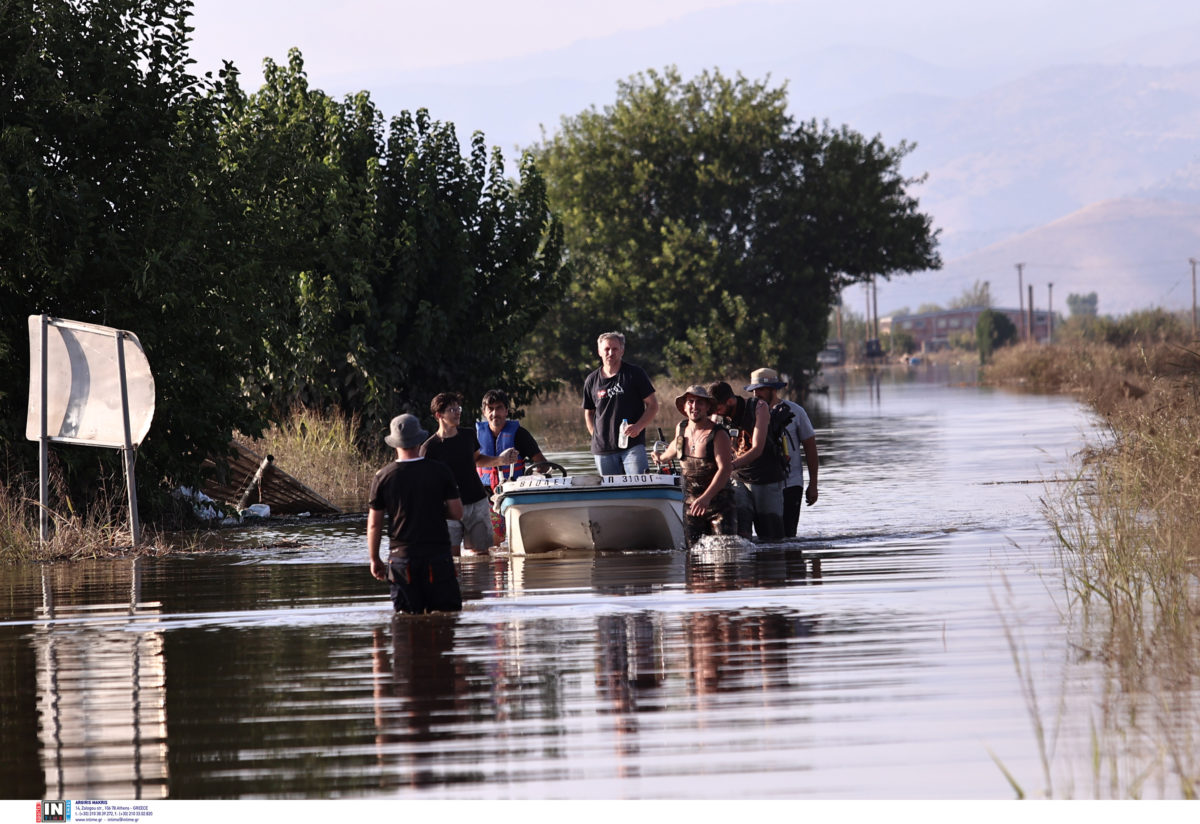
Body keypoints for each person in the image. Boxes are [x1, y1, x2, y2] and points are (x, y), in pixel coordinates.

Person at [367, 414, 464, 613]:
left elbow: (374, 525)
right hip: (438, 557)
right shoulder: (440, 471)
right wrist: (434, 509)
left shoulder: (383, 477)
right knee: (447, 620)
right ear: (419, 439)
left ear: (394, 443)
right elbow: (457, 512)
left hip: (403, 561)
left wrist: (374, 559)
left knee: (407, 624)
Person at [421, 392, 520, 554]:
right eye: (452, 410)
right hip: (448, 507)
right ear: (439, 415)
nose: (458, 412)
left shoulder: (468, 435)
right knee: (452, 558)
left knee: (481, 556)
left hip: (477, 502)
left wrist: (500, 460)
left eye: (458, 408)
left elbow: (478, 459)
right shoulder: (429, 447)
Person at [652, 385, 736, 545]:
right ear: (684, 406)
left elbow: (726, 469)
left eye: (700, 402)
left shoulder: (719, 434)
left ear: (708, 407)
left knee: (724, 557)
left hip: (719, 506)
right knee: (694, 558)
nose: (694, 406)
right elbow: (675, 447)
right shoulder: (681, 428)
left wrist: (706, 498)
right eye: (690, 401)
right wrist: (661, 458)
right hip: (692, 505)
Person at [745, 367, 819, 537]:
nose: (757, 395)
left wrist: (813, 484)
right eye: (754, 390)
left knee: (788, 536)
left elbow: (810, 448)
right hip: (760, 484)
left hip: (790, 484)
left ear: (774, 389)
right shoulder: (748, 414)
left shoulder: (795, 412)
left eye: (761, 390)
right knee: (766, 537)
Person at [709, 379, 785, 540]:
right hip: (738, 479)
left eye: (718, 408)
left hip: (766, 477)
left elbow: (757, 449)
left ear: (730, 401)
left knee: (771, 536)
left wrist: (730, 465)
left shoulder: (758, 407)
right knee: (741, 533)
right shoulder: (717, 416)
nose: (715, 412)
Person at [582, 331, 659, 475]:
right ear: (599, 351)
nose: (610, 352)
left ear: (622, 351)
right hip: (603, 450)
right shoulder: (591, 380)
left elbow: (653, 405)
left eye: (615, 349)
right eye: (606, 349)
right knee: (611, 493)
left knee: (638, 487)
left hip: (632, 446)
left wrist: (638, 426)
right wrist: (595, 435)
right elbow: (589, 412)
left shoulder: (634, 374)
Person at [475, 388, 548, 490]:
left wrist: (534, 478)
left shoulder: (521, 434)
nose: (495, 413)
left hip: (513, 490)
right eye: (490, 409)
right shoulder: (474, 436)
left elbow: (543, 464)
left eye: (499, 408)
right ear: (484, 413)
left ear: (506, 411)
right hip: (482, 493)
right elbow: (468, 463)